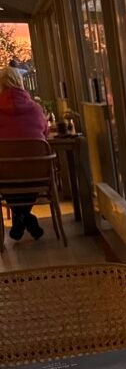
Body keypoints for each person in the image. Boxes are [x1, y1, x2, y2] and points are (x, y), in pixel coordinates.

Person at [0, 65, 49, 240]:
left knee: (7, 176)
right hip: (37, 174)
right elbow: (45, 135)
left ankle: (20, 217)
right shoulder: (35, 109)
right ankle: (26, 217)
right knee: (30, 171)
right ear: (20, 83)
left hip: (5, 177)